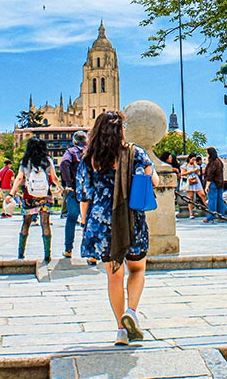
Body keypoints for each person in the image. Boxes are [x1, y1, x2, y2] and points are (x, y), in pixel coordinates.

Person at [77, 110, 158, 346]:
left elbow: (84, 196)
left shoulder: (89, 158)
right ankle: (131, 312)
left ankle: (121, 330)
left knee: (114, 277)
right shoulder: (135, 153)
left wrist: (86, 222)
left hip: (101, 223)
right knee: (137, 269)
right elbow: (153, 182)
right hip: (131, 220)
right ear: (120, 130)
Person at [10, 137, 58, 263]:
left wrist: (11, 193)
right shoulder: (47, 160)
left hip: (29, 196)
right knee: (45, 223)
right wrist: (60, 188)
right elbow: (54, 177)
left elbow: (19, 178)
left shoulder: (25, 161)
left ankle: (21, 252)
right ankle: (47, 254)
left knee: (26, 223)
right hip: (45, 196)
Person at [59, 130, 88, 258]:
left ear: (74, 141)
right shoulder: (93, 151)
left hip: (75, 190)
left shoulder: (70, 152)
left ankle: (68, 249)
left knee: (71, 218)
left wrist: (68, 183)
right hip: (91, 190)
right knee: (90, 219)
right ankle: (91, 253)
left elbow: (64, 163)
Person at [202, 146, 226, 223]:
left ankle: (210, 216)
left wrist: (207, 186)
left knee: (212, 200)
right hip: (220, 183)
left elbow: (210, 175)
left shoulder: (212, 163)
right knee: (220, 200)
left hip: (213, 183)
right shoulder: (219, 161)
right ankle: (222, 216)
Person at [182, 153, 205, 218]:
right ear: (189, 159)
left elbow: (199, 173)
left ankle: (207, 208)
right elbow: (182, 173)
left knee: (202, 194)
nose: (193, 161)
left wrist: (196, 170)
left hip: (196, 180)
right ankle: (191, 212)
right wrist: (191, 171)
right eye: (192, 159)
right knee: (190, 197)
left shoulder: (196, 166)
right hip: (189, 180)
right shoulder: (185, 166)